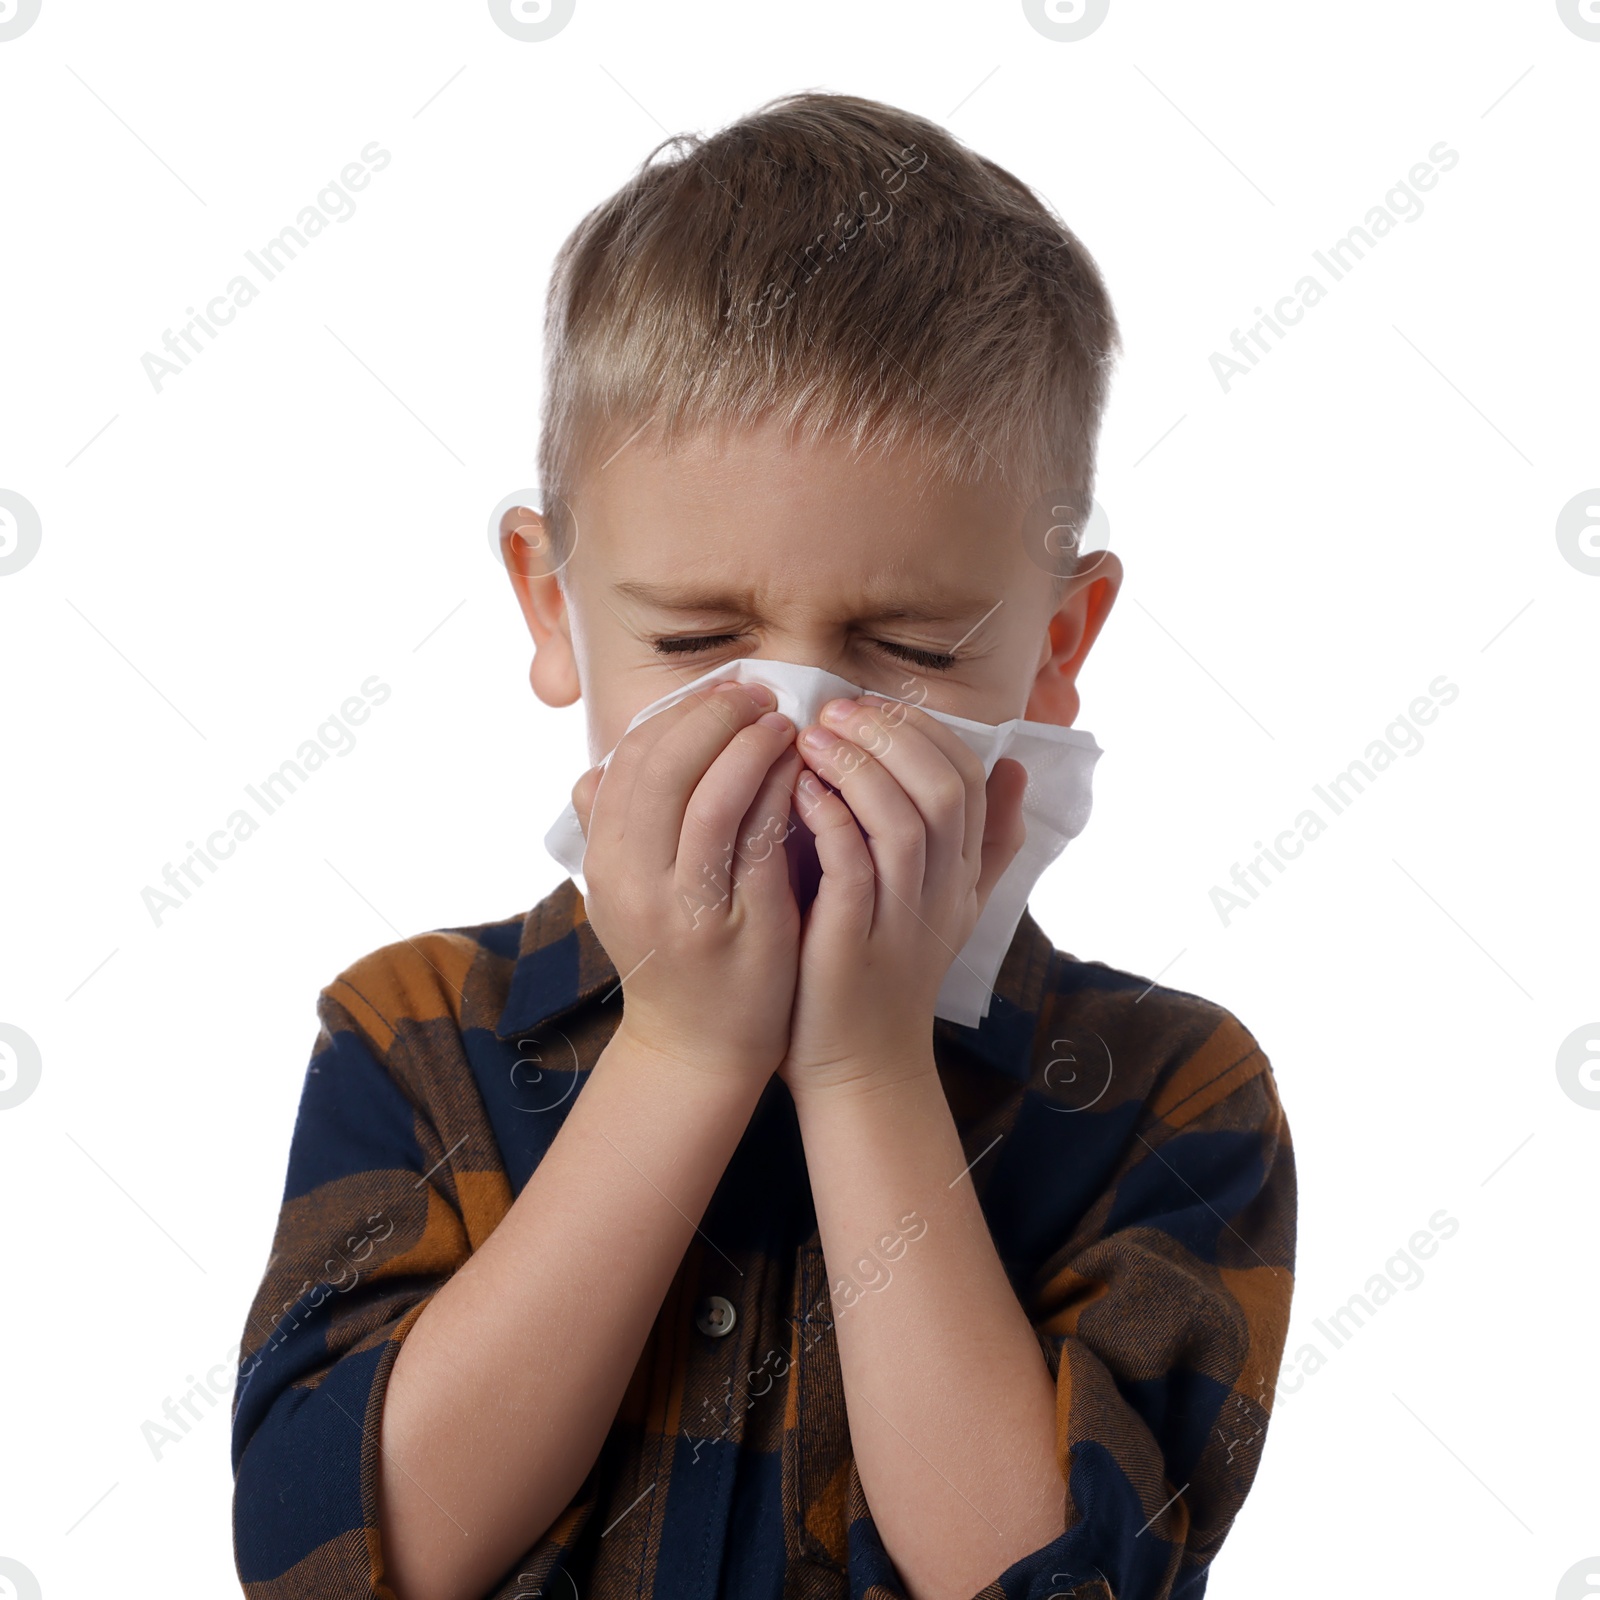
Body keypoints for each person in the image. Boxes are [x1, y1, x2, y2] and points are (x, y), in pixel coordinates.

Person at [230, 90, 1295, 1600]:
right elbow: (332, 1557)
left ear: (1057, 646)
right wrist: (678, 1055)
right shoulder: (416, 1039)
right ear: (552, 607)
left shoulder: (1167, 1098)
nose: (793, 718)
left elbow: (1059, 1582)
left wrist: (865, 1068)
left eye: (907, 644)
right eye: (696, 635)